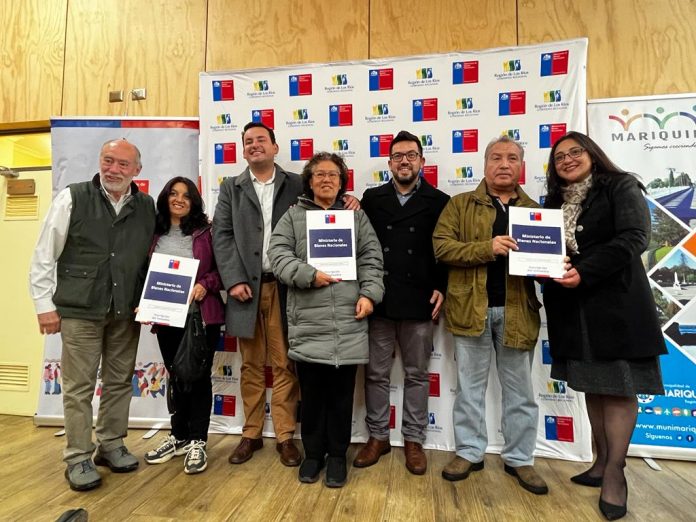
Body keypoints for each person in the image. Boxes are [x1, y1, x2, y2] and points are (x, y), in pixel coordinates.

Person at [212, 122, 359, 467]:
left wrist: (349, 199)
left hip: (287, 288)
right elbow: (222, 235)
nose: (255, 145)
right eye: (248, 141)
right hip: (244, 289)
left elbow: (326, 202)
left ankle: (284, 436)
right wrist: (233, 280)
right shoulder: (231, 187)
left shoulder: (296, 183)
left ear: (275, 147)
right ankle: (250, 434)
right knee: (250, 364)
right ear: (243, 150)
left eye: (261, 140)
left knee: (284, 364)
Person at [542, 131, 666, 520]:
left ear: (593, 155)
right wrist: (542, 266)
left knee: (617, 389)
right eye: (559, 157)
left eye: (575, 152)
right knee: (594, 387)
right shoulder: (553, 201)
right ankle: (599, 461)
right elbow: (548, 250)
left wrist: (585, 271)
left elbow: (635, 238)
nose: (567, 160)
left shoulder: (620, 186)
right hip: (572, 310)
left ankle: (615, 473)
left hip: (617, 307)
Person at [29, 139, 155, 491]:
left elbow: (151, 256)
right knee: (78, 387)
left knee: (119, 382)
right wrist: (44, 305)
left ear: (137, 170)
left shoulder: (146, 205)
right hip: (80, 310)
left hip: (125, 310)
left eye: (123, 164)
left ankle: (111, 444)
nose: (113, 169)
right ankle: (78, 456)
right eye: (108, 160)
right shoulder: (73, 197)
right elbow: (44, 254)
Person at [433, 136, 548, 495]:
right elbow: (442, 247)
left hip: (518, 312)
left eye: (512, 158)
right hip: (471, 310)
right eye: (496, 157)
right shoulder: (460, 204)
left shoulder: (535, 210)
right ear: (484, 165)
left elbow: (545, 263)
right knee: (469, 389)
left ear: (521, 166)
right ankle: (469, 452)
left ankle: (520, 458)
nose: (504, 164)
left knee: (520, 393)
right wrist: (488, 247)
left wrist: (549, 264)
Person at [268, 152, 384, 487]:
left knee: (341, 398)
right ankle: (314, 455)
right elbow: (278, 255)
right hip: (308, 322)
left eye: (333, 174)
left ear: (342, 181)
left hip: (349, 319)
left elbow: (372, 258)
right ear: (309, 180)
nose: (326, 180)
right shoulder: (293, 216)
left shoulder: (356, 217)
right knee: (313, 396)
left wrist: (369, 295)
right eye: (319, 174)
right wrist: (308, 274)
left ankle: (336, 457)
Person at [355, 130, 449, 475]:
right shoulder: (371, 198)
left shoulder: (439, 200)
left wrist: (442, 286)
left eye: (411, 155)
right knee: (376, 374)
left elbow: (446, 249)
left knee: (417, 374)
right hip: (380, 298)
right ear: (389, 162)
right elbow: (358, 243)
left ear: (421, 161)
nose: (404, 161)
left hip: (420, 299)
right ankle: (378, 437)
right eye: (398, 156)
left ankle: (413, 440)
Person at [142, 176, 224, 475]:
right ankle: (178, 436)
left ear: (194, 202)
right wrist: (144, 302)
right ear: (165, 198)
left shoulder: (206, 232)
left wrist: (205, 284)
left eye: (186, 195)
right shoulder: (154, 233)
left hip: (200, 317)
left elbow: (223, 269)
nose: (179, 199)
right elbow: (143, 273)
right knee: (176, 376)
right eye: (174, 194)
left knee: (197, 378)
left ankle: (198, 440)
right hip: (166, 318)